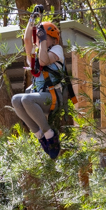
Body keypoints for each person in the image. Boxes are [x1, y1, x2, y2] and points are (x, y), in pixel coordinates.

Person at [12, 9, 66, 159]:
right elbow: (27, 41)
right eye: (39, 37)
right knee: (16, 99)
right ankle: (40, 135)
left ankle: (50, 134)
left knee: (26, 99)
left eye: (44, 37)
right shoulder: (35, 54)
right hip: (40, 97)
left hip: (53, 96)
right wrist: (32, 20)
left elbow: (44, 60)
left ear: (53, 39)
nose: (39, 39)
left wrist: (42, 42)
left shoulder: (57, 50)